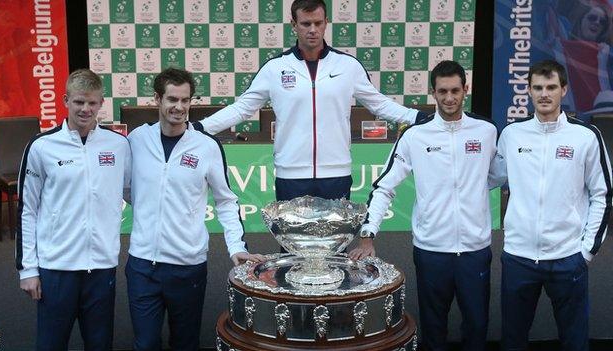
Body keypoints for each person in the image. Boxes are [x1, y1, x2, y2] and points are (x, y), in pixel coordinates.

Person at [197, 0, 424, 201]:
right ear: (294, 25)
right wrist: (200, 127)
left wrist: (417, 117)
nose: (313, 30)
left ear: (326, 22)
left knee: (336, 245)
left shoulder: (347, 66)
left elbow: (379, 103)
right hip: (291, 174)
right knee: (292, 245)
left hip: (336, 173)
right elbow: (242, 109)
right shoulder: (275, 68)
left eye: (318, 23)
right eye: (306, 24)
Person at [349, 60, 498, 351]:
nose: (449, 98)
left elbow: (501, 174)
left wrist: (473, 189)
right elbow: (384, 187)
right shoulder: (415, 135)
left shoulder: (486, 131)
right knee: (433, 330)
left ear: (465, 90)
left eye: (455, 90)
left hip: (475, 250)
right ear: (433, 92)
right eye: (442, 91)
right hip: (432, 250)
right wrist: (368, 234)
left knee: (478, 327)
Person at [126, 67, 265, 350]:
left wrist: (235, 246)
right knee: (145, 344)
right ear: (157, 100)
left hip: (187, 267)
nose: (179, 107)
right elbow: (125, 188)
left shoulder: (206, 147)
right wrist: (150, 208)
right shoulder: (137, 140)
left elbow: (226, 201)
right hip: (142, 265)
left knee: (186, 343)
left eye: (185, 100)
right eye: (172, 99)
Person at [491, 60, 612, 351]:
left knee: (574, 341)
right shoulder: (511, 135)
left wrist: (586, 251)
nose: (544, 94)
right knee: (513, 341)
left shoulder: (585, 136)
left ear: (564, 90)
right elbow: (488, 179)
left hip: (568, 257)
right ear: (529, 92)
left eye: (551, 87)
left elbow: (603, 195)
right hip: (519, 257)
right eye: (538, 88)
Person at [17, 69, 131, 350]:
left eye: (92, 103)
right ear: (66, 100)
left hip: (102, 268)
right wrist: (27, 269)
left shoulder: (118, 146)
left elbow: (136, 194)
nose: (85, 109)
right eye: (79, 102)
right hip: (57, 268)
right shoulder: (42, 146)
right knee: (51, 345)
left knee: (100, 345)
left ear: (101, 103)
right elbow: (27, 210)